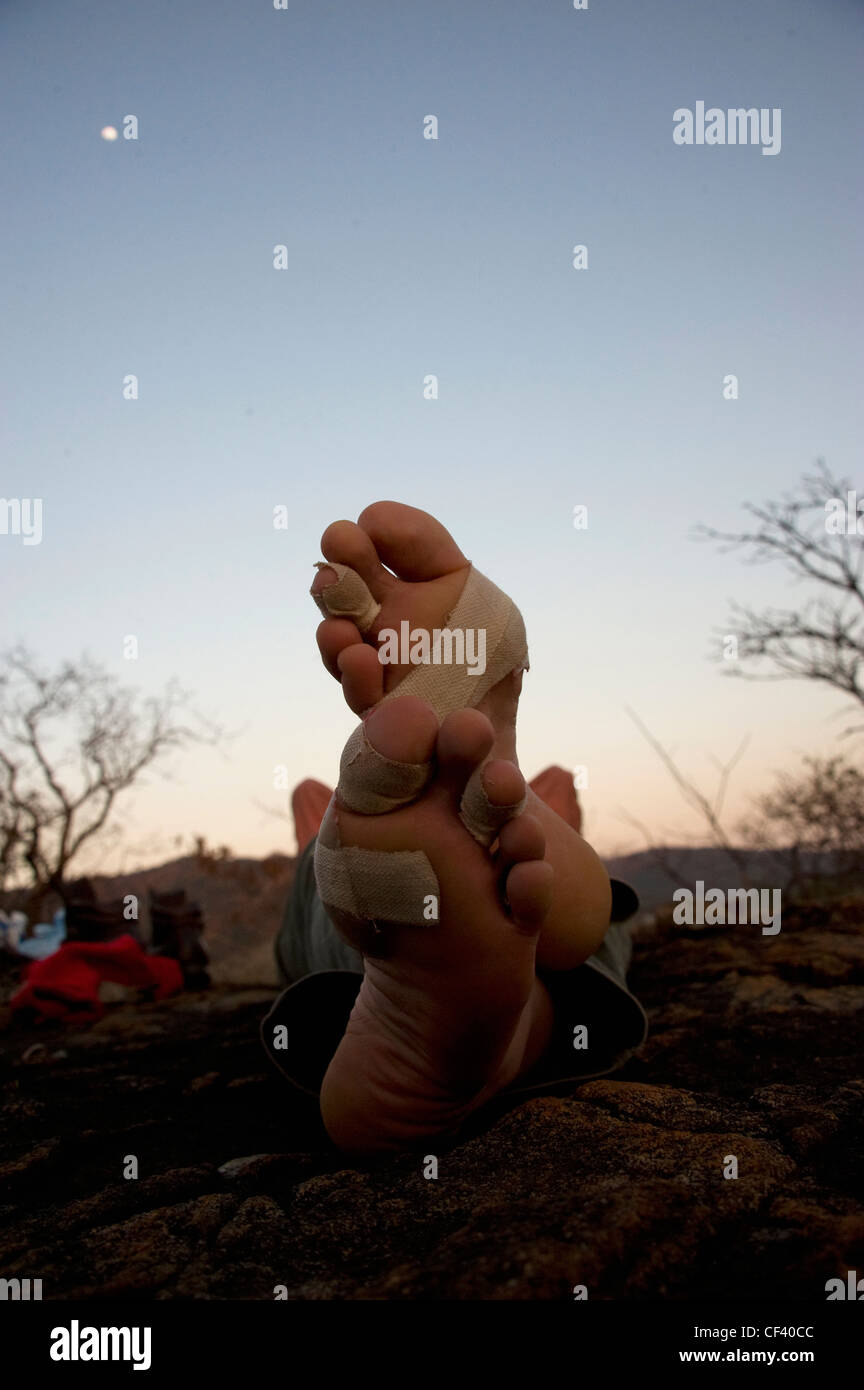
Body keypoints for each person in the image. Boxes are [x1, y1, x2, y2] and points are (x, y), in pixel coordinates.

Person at [261, 502, 647, 1154]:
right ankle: (525, 1015)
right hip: (514, 878)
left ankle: (484, 1017)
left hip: (366, 897)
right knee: (544, 823)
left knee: (339, 866)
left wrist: (324, 827)